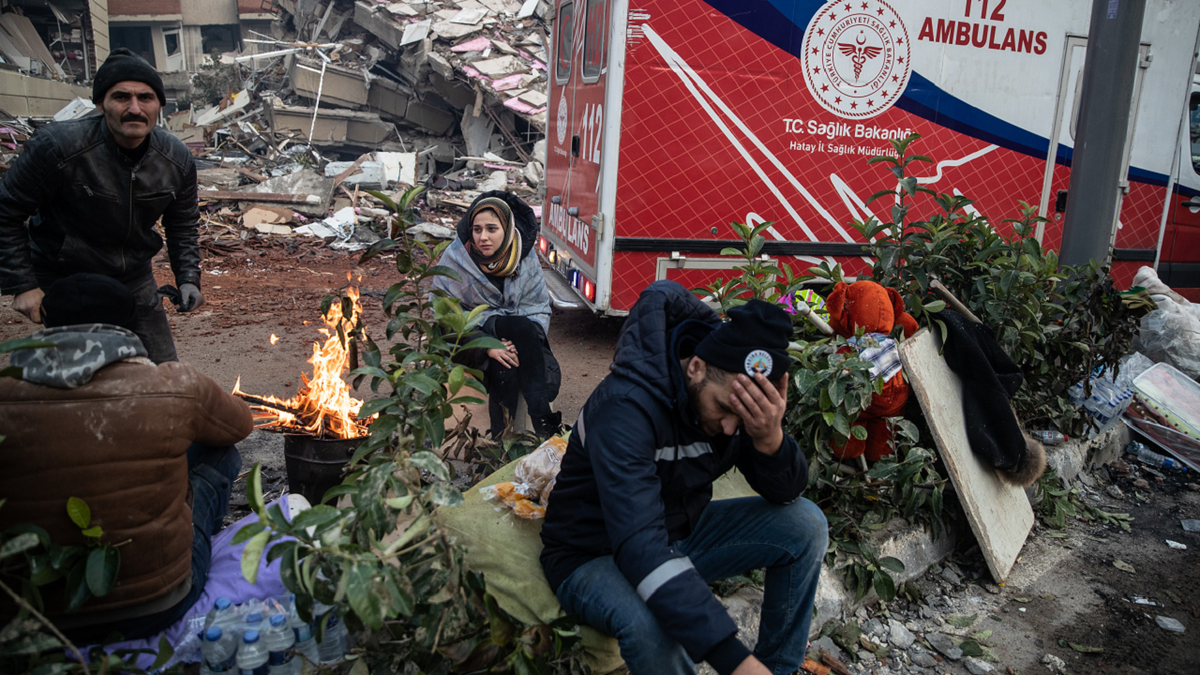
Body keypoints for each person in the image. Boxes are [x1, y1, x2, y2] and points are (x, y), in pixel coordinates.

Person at [540, 281, 827, 675]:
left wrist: (769, 439)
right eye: (724, 410)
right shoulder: (625, 409)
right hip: (594, 551)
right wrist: (733, 659)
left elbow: (786, 492)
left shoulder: (735, 407)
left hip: (676, 533)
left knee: (805, 525)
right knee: (655, 626)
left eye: (743, 420)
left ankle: (778, 668)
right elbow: (640, 543)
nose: (730, 429)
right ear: (695, 366)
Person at [0, 273, 251, 642]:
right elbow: (240, 424)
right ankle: (196, 547)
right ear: (130, 324)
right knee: (218, 450)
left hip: (37, 611)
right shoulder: (174, 385)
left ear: (48, 320)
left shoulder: (6, 391)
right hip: (157, 603)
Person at [0, 47, 204, 364]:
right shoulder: (57, 147)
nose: (135, 108)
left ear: (159, 105)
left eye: (146, 98)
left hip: (132, 276)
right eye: (122, 97)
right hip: (64, 276)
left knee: (164, 372)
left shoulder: (175, 159)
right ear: (100, 104)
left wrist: (188, 277)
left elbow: (183, 224)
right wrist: (24, 286)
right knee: (80, 374)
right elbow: (6, 210)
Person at [430, 190, 562, 438]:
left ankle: (500, 439)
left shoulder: (525, 257)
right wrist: (487, 346)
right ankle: (544, 424)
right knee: (506, 347)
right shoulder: (456, 259)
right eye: (477, 230)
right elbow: (444, 319)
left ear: (508, 230)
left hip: (522, 335)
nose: (483, 237)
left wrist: (509, 344)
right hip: (468, 339)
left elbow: (538, 307)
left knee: (516, 340)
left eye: (492, 229)